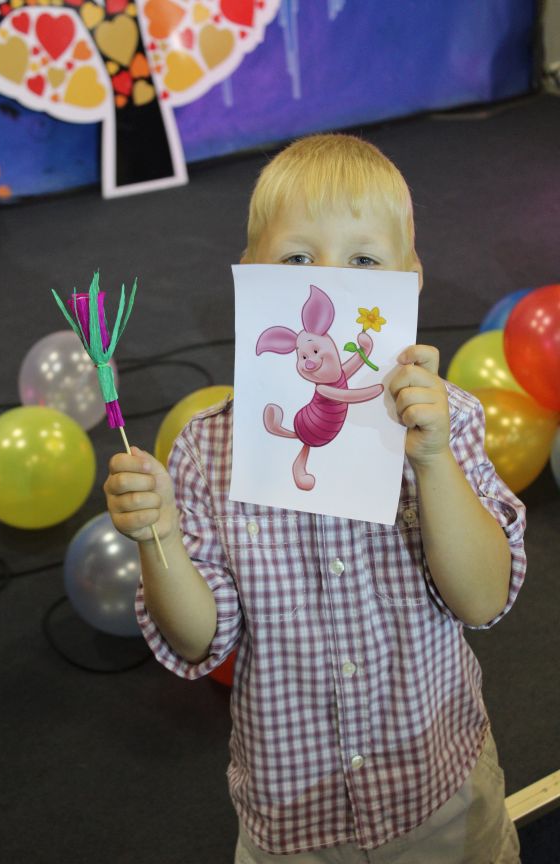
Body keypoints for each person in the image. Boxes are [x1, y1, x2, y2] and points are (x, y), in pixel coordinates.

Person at [103, 134, 526, 863]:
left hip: (442, 797)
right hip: (295, 828)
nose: (330, 278)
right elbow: (200, 640)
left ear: (411, 281)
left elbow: (483, 598)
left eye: (364, 261)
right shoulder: (206, 449)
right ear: (252, 276)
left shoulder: (445, 421)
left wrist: (431, 463)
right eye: (298, 259)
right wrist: (159, 536)